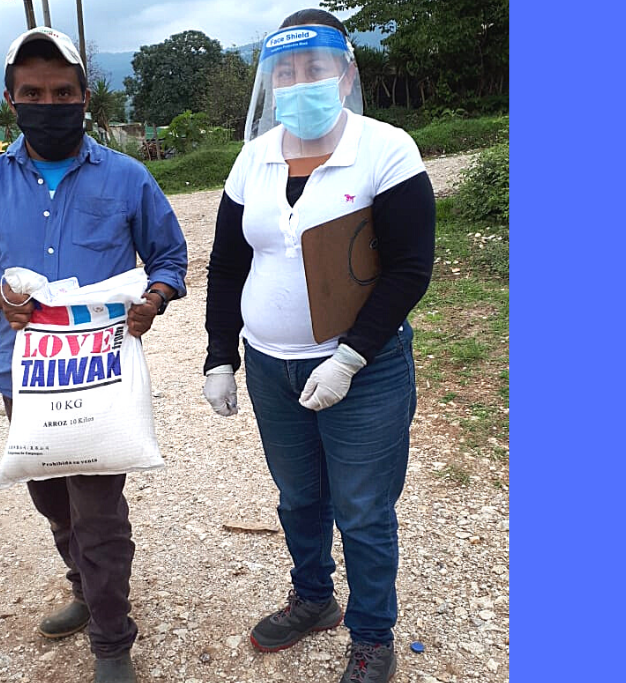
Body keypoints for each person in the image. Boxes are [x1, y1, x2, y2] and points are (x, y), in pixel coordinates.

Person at [0, 26, 188, 683]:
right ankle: (83, 585)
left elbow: (169, 257)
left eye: (61, 92)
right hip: (22, 378)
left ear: (84, 97)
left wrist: (154, 297)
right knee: (53, 501)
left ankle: (112, 640)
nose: (47, 103)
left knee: (99, 510)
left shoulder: (128, 178)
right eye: (32, 93)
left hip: (102, 377)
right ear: (11, 100)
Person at [202, 9, 435, 683]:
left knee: (361, 508)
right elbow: (226, 263)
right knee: (299, 496)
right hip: (272, 367)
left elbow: (409, 268)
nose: (301, 82)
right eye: (287, 71)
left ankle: (371, 634)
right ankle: (313, 597)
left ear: (346, 73)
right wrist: (221, 352)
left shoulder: (386, 149)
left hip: (365, 369)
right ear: (272, 83)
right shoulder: (256, 156)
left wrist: (350, 355)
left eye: (316, 68)